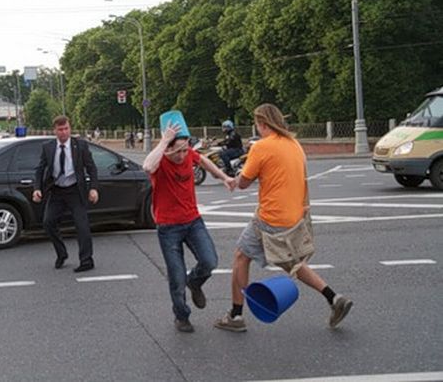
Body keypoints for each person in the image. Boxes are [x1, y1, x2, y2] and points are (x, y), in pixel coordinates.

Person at [214, 104, 353, 333]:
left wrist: (234, 179)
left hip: (269, 219)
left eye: (257, 124)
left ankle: (236, 316)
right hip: (294, 216)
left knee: (241, 256)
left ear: (263, 124)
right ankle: (334, 297)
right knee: (294, 263)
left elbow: (244, 182)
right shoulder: (294, 144)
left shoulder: (262, 147)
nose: (257, 128)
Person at [143, 123, 234, 333]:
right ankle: (182, 316)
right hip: (168, 227)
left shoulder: (189, 155)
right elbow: (147, 166)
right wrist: (164, 141)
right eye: (178, 151)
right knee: (176, 276)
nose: (183, 155)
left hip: (193, 221)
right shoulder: (159, 163)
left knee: (210, 260)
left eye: (185, 149)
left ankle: (194, 283)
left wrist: (225, 178)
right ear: (167, 149)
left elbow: (202, 160)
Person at [33, 115, 99, 273]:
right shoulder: (48, 147)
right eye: (60, 129)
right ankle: (61, 254)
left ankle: (86, 260)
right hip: (57, 191)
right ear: (54, 131)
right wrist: (37, 188)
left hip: (75, 190)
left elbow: (92, 168)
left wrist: (93, 188)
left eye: (66, 129)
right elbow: (40, 169)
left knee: (82, 225)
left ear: (70, 129)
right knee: (48, 222)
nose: (63, 132)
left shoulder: (80, 146)